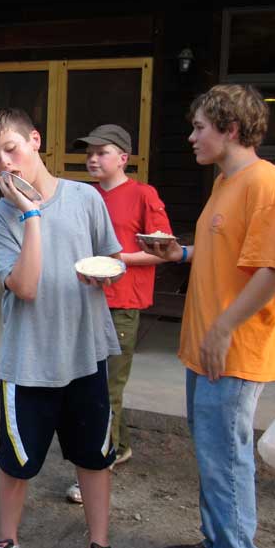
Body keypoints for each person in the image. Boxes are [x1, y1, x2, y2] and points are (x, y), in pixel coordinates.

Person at [141, 84, 275, 548]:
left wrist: (226, 326)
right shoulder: (228, 183)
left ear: (230, 129)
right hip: (208, 346)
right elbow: (230, 253)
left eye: (200, 127)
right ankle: (219, 545)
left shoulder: (264, 183)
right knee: (212, 453)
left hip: (233, 348)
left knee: (227, 457)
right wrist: (179, 251)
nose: (191, 137)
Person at [0, 108, 122, 548]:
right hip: (28, 359)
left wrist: (105, 273)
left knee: (93, 458)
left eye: (11, 149)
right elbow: (25, 286)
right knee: (16, 464)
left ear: (35, 140)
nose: (5, 163)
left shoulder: (85, 197)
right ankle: (7, 543)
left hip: (85, 351)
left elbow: (111, 257)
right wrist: (31, 215)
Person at [64, 123, 172, 505]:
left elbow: (162, 249)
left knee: (108, 385)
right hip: (86, 299)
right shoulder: (83, 195)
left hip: (123, 302)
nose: (92, 159)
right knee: (89, 380)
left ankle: (99, 461)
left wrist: (115, 260)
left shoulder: (143, 194)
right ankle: (120, 444)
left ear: (123, 158)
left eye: (102, 152)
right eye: (88, 153)